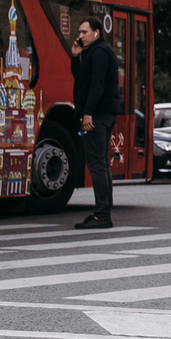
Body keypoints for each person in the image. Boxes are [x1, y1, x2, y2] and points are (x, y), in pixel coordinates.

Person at [70, 19, 120, 230]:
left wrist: (88, 113)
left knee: (97, 163)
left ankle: (102, 215)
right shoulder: (97, 51)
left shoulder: (99, 52)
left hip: (97, 115)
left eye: (85, 32)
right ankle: (104, 211)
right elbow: (81, 78)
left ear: (96, 32)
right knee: (102, 163)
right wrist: (75, 57)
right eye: (79, 32)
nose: (80, 36)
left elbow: (96, 84)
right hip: (103, 113)